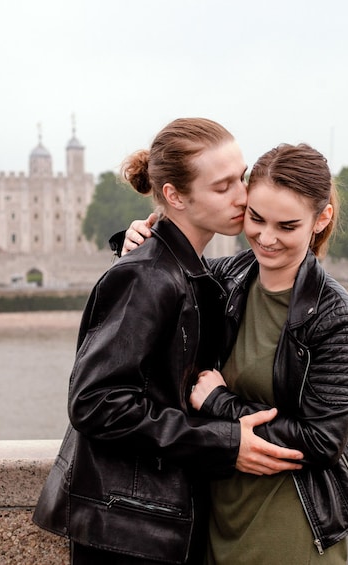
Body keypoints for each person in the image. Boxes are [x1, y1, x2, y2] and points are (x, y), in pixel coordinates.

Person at [32, 119, 305, 565]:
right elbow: (95, 403)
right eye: (222, 187)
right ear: (176, 196)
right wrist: (221, 440)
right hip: (132, 532)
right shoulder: (147, 275)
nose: (242, 195)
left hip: (161, 518)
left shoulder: (186, 269)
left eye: (242, 177)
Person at [122, 143, 348, 564]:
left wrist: (222, 403)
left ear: (321, 219)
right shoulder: (226, 277)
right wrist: (137, 244)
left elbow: (322, 439)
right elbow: (151, 315)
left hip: (290, 525)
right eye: (256, 219)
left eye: (287, 226)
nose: (266, 237)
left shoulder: (335, 315)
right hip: (214, 515)